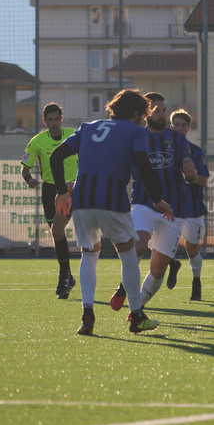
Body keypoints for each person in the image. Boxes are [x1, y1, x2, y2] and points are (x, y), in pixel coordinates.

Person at [49, 89, 173, 335]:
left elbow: (57, 155)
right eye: (143, 114)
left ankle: (87, 316)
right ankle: (136, 316)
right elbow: (143, 164)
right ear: (137, 113)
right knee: (128, 255)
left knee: (89, 254)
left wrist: (63, 191)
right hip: (112, 201)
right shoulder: (136, 131)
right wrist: (157, 199)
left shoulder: (88, 127)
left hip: (82, 201)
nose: (144, 119)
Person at [108, 93, 198, 314]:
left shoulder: (177, 139)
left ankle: (136, 310)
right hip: (143, 204)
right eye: (156, 110)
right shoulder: (135, 137)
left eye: (163, 110)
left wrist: (191, 174)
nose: (161, 114)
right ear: (146, 113)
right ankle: (124, 290)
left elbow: (190, 177)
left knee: (158, 270)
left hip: (172, 209)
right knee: (138, 245)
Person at [21, 103, 78, 298]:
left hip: (73, 189)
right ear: (44, 121)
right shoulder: (37, 141)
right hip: (50, 191)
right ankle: (67, 275)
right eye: (50, 120)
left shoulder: (74, 135)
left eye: (57, 118)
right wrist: (29, 179)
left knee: (62, 231)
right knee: (57, 234)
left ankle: (64, 276)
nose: (54, 123)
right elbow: (25, 168)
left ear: (62, 118)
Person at [166, 109, 210, 301]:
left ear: (188, 128)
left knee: (192, 249)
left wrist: (190, 176)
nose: (180, 128)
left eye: (184, 125)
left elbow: (203, 180)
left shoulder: (196, 151)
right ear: (171, 126)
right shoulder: (163, 150)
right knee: (155, 244)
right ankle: (172, 263)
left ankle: (196, 281)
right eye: (177, 124)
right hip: (169, 207)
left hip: (192, 208)